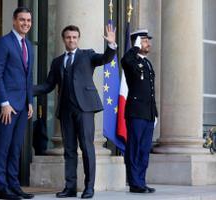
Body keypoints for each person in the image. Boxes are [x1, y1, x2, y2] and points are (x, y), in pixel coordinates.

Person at [34, 24, 117, 199]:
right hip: (65, 111)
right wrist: (27, 90)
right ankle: (70, 187)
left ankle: (89, 188)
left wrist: (111, 45)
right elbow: (48, 85)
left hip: (85, 109)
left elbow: (105, 59)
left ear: (78, 39)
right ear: (63, 39)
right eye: (68, 37)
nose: (71, 40)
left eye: (74, 37)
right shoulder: (57, 62)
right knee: (69, 150)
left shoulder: (87, 55)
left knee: (87, 148)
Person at [0, 7, 34, 200]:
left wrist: (30, 102)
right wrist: (3, 102)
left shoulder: (29, 45)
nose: (26, 23)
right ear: (14, 21)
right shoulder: (3, 42)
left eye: (28, 21)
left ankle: (14, 185)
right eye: (22, 20)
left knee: (16, 147)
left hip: (23, 105)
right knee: (4, 147)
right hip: (7, 106)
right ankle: (2, 188)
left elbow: (28, 77)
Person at [121, 29, 158, 193]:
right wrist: (135, 47)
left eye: (147, 40)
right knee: (135, 147)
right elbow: (125, 60)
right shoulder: (131, 61)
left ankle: (141, 181)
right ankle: (134, 183)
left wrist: (154, 113)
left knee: (144, 149)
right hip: (136, 112)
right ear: (136, 42)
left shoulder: (147, 63)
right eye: (144, 40)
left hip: (148, 113)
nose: (148, 43)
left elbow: (150, 91)